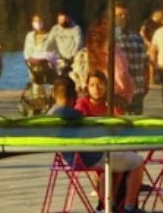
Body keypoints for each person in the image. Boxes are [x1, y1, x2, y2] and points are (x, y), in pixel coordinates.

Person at [48, 77, 145, 213]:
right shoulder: (75, 116)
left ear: (53, 94)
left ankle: (108, 206)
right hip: (91, 158)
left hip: (70, 160)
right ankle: (129, 207)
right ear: (73, 96)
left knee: (112, 164)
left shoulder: (49, 116)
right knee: (137, 161)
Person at [71, 17, 134, 107]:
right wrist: (127, 95)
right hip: (113, 100)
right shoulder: (114, 52)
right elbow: (122, 76)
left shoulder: (84, 54)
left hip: (88, 101)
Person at [114, 3, 149, 114]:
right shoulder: (111, 39)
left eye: (125, 15)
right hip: (118, 91)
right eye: (119, 15)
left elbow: (145, 64)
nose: (122, 18)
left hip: (136, 90)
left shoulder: (137, 38)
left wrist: (145, 85)